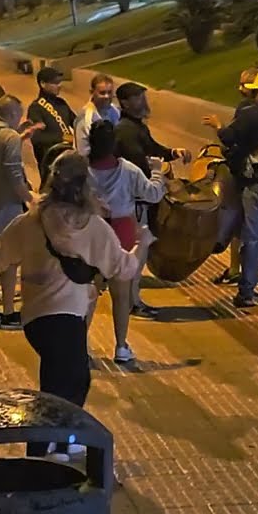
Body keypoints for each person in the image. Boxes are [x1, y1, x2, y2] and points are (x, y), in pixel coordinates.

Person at [0, 150, 145, 460]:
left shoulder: (31, 220)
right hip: (66, 318)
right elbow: (126, 269)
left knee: (64, 379)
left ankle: (62, 439)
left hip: (36, 319)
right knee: (67, 383)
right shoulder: (91, 226)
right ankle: (42, 450)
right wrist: (142, 245)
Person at [205, 72, 258, 308]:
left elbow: (229, 137)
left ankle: (247, 291)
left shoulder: (253, 114)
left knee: (252, 237)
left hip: (257, 184)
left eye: (254, 91)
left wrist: (218, 126)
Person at [87, 120, 166, 362]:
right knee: (120, 295)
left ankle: (81, 345)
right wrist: (158, 172)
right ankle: (121, 347)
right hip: (122, 232)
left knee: (88, 293)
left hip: (91, 234)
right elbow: (152, 194)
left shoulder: (80, 168)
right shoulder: (128, 169)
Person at [113, 82, 188, 316]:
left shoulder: (136, 127)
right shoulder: (126, 130)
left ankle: (132, 300)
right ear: (125, 103)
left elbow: (151, 147)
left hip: (135, 204)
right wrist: (159, 175)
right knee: (135, 254)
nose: (143, 103)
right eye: (137, 98)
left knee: (138, 252)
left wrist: (172, 153)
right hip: (133, 205)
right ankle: (131, 302)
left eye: (143, 97)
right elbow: (140, 163)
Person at [0, 95, 42, 329]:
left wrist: (19, 137)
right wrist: (30, 197)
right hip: (8, 205)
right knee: (10, 258)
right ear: (12, 115)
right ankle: (9, 312)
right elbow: (14, 176)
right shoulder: (10, 137)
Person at [212, 66, 258, 286]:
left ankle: (242, 273)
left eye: (244, 83)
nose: (239, 88)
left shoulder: (246, 109)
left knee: (240, 224)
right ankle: (254, 269)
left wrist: (218, 127)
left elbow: (231, 138)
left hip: (246, 174)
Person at [28, 66, 78, 184]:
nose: (59, 85)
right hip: (49, 161)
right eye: (55, 83)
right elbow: (36, 138)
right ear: (43, 84)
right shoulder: (36, 108)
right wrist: (63, 138)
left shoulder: (62, 103)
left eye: (60, 82)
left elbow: (76, 122)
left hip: (68, 157)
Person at [74, 73, 120, 156]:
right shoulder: (85, 118)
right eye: (102, 93)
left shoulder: (115, 110)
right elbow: (83, 153)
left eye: (109, 92)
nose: (107, 96)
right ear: (92, 92)